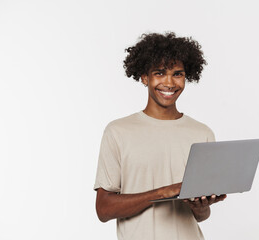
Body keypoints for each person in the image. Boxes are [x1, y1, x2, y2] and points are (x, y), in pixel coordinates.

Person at [94, 32, 226, 240]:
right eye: (159, 73)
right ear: (144, 77)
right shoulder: (118, 131)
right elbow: (103, 209)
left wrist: (201, 207)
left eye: (177, 74)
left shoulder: (202, 133)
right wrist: (162, 192)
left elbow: (201, 216)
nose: (169, 82)